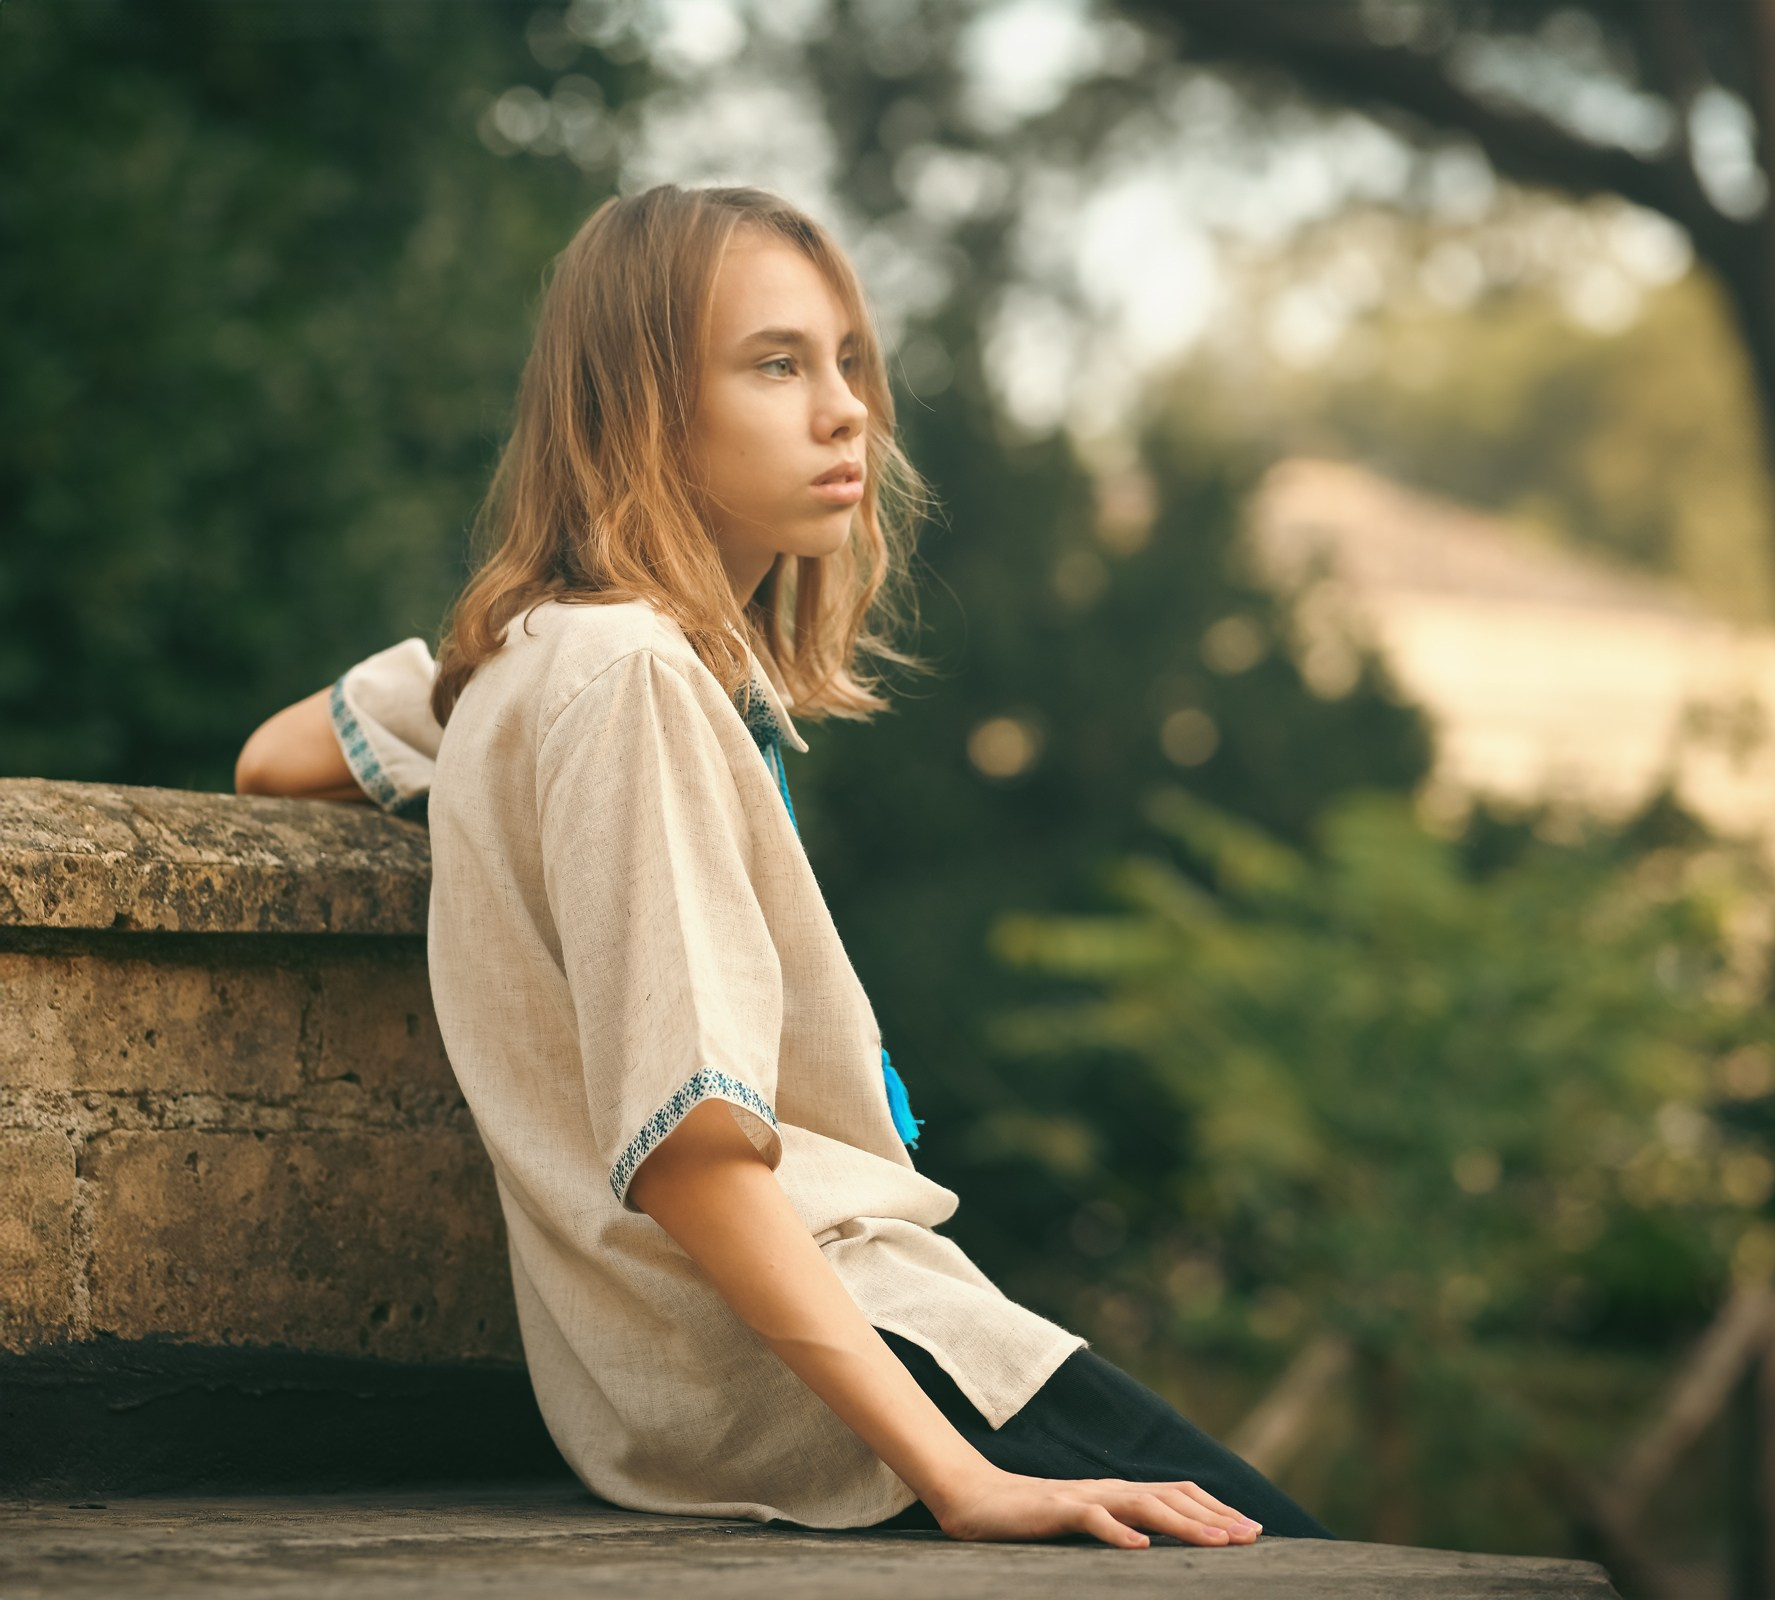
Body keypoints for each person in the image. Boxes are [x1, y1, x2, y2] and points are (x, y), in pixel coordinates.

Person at [235, 182, 1332, 1549]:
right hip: (846, 1364)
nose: (845, 410)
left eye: (846, 362)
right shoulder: (627, 679)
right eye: (775, 365)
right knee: (1319, 1565)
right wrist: (966, 1481)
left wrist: (470, 672)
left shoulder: (537, 661)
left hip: (711, 1385)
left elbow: (275, 761)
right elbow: (693, 1153)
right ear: (641, 407)